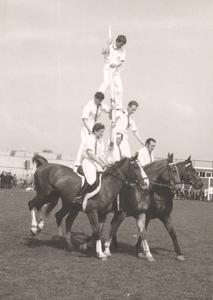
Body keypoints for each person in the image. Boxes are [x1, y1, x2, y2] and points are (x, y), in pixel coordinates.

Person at [74, 123, 108, 204]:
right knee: (92, 179)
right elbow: (90, 154)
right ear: (95, 131)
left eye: (103, 132)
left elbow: (101, 155)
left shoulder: (101, 141)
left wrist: (106, 163)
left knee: (104, 177)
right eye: (101, 132)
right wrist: (101, 163)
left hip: (96, 162)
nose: (102, 133)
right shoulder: (90, 138)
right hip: (88, 161)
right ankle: (79, 196)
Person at [74, 92, 111, 168]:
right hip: (87, 125)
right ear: (95, 97)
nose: (99, 102)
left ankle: (96, 161)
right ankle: (78, 163)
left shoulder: (101, 105)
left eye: (100, 100)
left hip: (95, 126)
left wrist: (112, 107)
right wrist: (89, 130)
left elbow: (108, 110)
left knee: (95, 143)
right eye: (98, 100)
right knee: (85, 142)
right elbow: (84, 119)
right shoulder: (89, 105)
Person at [98, 35, 127, 110]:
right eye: (120, 44)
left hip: (116, 70)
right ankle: (98, 98)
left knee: (119, 88)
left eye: (123, 45)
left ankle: (119, 107)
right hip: (108, 68)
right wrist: (107, 43)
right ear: (117, 41)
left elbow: (120, 62)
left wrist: (115, 64)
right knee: (107, 83)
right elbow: (103, 52)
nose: (121, 46)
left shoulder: (122, 51)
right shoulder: (110, 46)